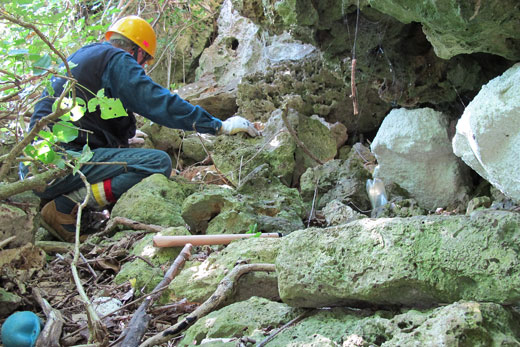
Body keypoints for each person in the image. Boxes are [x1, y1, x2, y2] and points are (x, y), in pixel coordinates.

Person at [25, 15, 259, 242]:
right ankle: (65, 205)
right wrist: (217, 125)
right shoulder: (118, 59)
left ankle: (63, 198)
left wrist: (121, 141)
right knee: (157, 162)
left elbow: (90, 117)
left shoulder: (86, 56)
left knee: (138, 154)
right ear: (135, 50)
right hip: (60, 165)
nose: (144, 67)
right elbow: (157, 102)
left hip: (33, 167)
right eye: (145, 60)